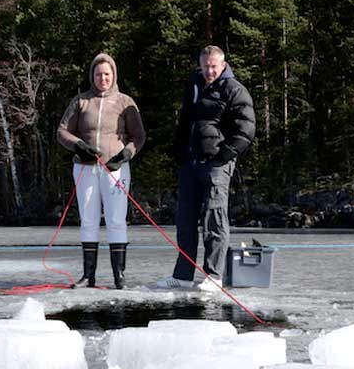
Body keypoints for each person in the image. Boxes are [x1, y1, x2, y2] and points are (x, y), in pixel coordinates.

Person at [156, 45, 256, 292]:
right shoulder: (194, 85)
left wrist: (224, 155)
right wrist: (178, 151)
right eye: (206, 65)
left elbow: (246, 130)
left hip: (216, 164)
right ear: (200, 65)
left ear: (223, 65)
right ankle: (183, 275)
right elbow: (186, 121)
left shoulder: (234, 90)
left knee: (214, 218)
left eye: (214, 66)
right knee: (185, 220)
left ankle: (213, 275)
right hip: (190, 163)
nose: (209, 70)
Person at [57, 52, 146, 289]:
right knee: (89, 220)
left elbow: (139, 137)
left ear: (113, 75)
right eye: (98, 74)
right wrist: (78, 145)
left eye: (106, 74)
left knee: (116, 219)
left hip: (115, 168)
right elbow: (62, 131)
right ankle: (89, 276)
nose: (102, 78)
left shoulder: (125, 102)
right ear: (92, 76)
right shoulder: (81, 101)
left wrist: (126, 154)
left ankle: (119, 276)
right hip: (85, 168)